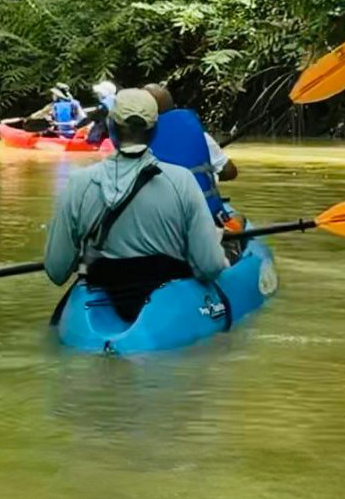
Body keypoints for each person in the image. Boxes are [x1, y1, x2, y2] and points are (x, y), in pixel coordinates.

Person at [42, 87, 227, 322]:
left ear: (110, 128)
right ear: (155, 131)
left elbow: (57, 271)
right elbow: (209, 266)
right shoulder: (182, 181)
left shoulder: (78, 184)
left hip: (104, 292)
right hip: (168, 304)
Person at [144, 82, 236, 221]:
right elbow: (230, 171)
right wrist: (210, 175)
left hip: (159, 220)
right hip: (203, 217)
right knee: (238, 218)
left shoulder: (135, 139)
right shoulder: (199, 135)